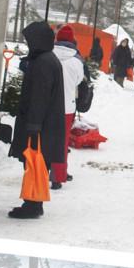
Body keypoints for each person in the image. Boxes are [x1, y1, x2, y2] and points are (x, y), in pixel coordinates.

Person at [7, 21, 65, 220]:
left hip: (40, 125)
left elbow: (39, 97)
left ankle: (32, 204)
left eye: (29, 40)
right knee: (37, 164)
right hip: (44, 124)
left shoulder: (43, 63)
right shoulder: (46, 59)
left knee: (34, 164)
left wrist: (33, 126)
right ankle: (33, 202)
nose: (28, 43)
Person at [51, 25, 86, 187]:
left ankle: (41, 171)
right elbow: (79, 80)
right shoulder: (76, 61)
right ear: (72, 40)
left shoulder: (48, 55)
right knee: (62, 141)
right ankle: (58, 176)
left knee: (45, 139)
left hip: (49, 105)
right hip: (67, 107)